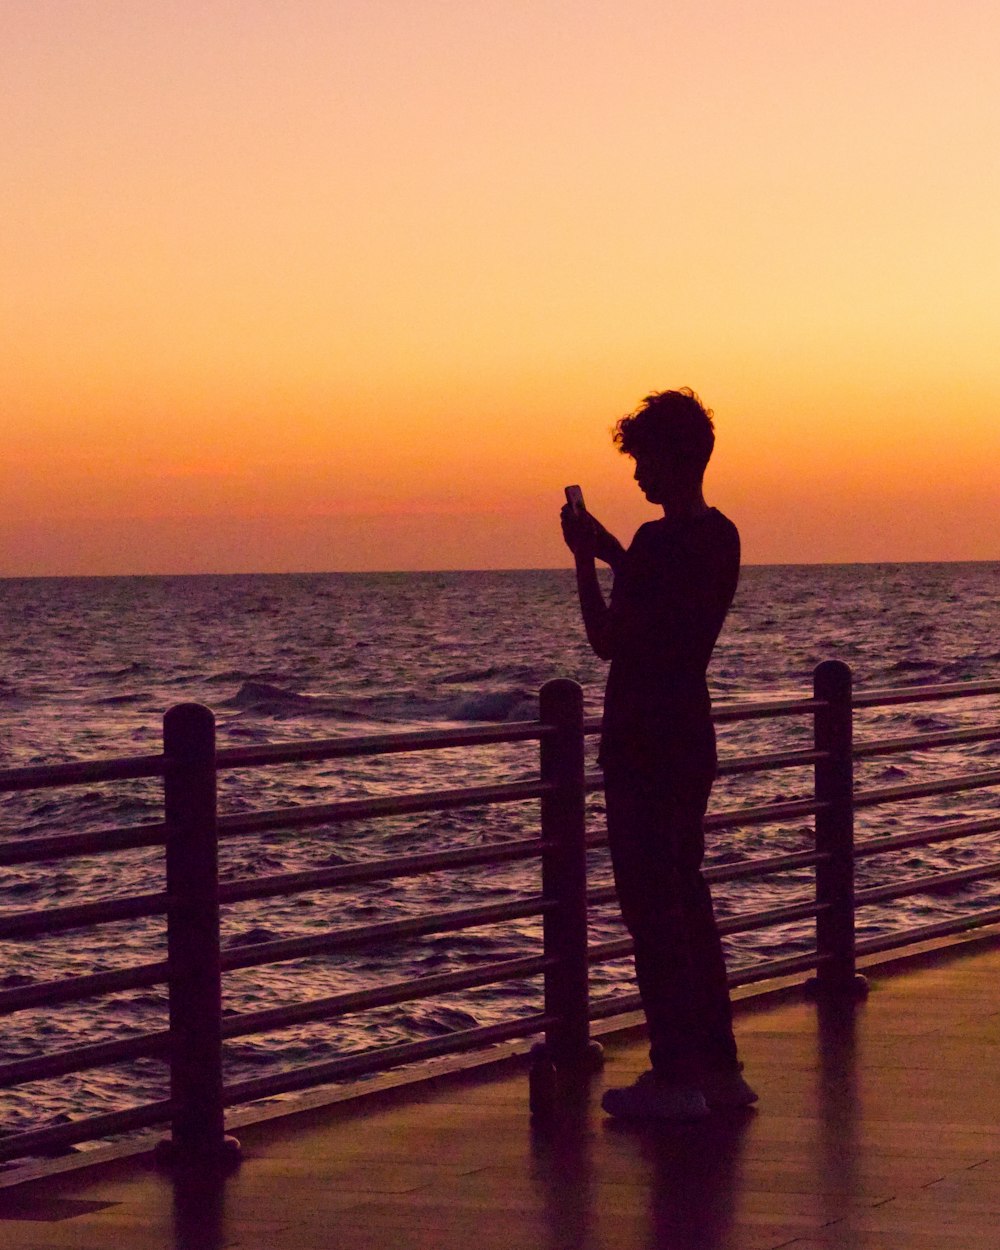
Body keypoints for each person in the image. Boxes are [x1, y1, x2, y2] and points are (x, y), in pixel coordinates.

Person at [560, 388, 757, 1120]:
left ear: (671, 457)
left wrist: (585, 564)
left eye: (643, 458)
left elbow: (610, 639)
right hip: (691, 732)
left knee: (650, 910)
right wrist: (610, 548)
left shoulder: (656, 543)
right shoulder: (719, 537)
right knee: (690, 901)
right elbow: (661, 598)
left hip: (641, 738)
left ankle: (674, 1073)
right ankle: (720, 1067)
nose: (637, 474)